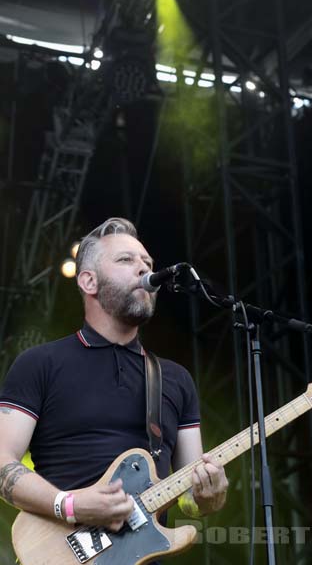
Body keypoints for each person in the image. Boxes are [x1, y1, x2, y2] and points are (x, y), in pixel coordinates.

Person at [0, 218, 228, 543]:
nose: (143, 269)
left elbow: (189, 498)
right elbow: (2, 462)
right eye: (126, 260)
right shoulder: (40, 364)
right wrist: (71, 505)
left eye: (147, 262)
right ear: (89, 282)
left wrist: (209, 497)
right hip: (59, 552)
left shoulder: (176, 379)